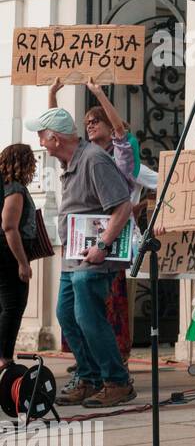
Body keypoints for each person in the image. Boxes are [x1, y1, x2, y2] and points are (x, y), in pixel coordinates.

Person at [26, 108, 135, 407]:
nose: (40, 142)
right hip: (73, 258)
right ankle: (89, 376)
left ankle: (117, 381)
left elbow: (122, 207)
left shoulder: (94, 160)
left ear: (55, 138)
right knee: (67, 316)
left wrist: (102, 245)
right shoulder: (71, 161)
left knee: (89, 318)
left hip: (93, 259)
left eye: (42, 136)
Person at [0, 144, 38, 369]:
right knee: (13, 305)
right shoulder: (14, 188)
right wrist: (23, 263)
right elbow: (10, 226)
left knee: (4, 305)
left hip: (4, 250)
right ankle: (4, 357)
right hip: (9, 251)